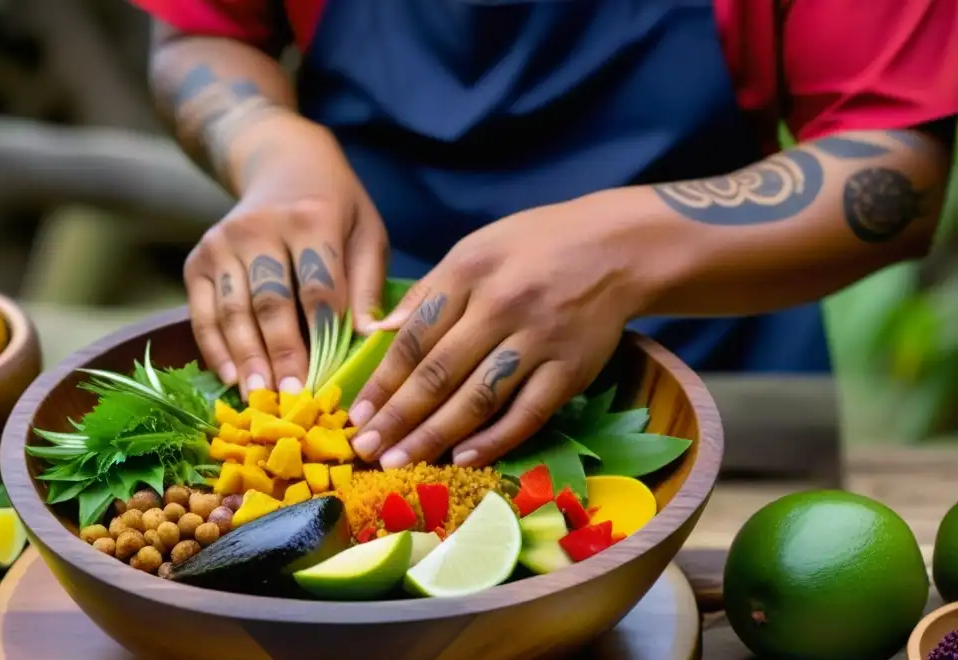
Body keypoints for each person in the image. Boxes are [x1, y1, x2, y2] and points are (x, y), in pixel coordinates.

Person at [131, 0, 957, 471]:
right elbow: (205, 28)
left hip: (705, 386)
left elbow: (895, 172)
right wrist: (273, 145)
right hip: (354, 376)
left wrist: (621, 249)